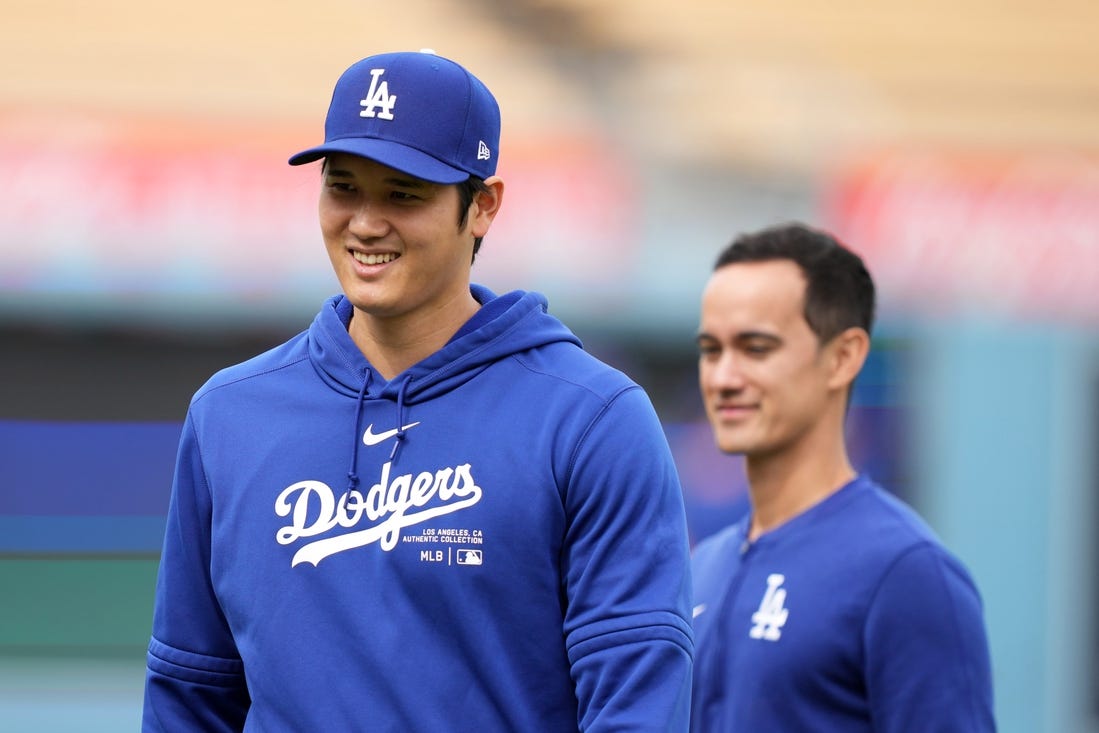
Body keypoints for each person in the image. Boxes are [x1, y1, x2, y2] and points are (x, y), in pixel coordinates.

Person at [142, 50, 694, 731]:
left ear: (482, 206)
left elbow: (636, 698)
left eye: (404, 193)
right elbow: (190, 693)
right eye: (343, 187)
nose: (367, 223)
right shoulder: (229, 413)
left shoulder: (591, 419)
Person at [690, 223, 995, 731]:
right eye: (711, 350)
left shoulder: (906, 572)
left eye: (756, 348)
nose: (723, 377)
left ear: (843, 356)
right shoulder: (703, 566)